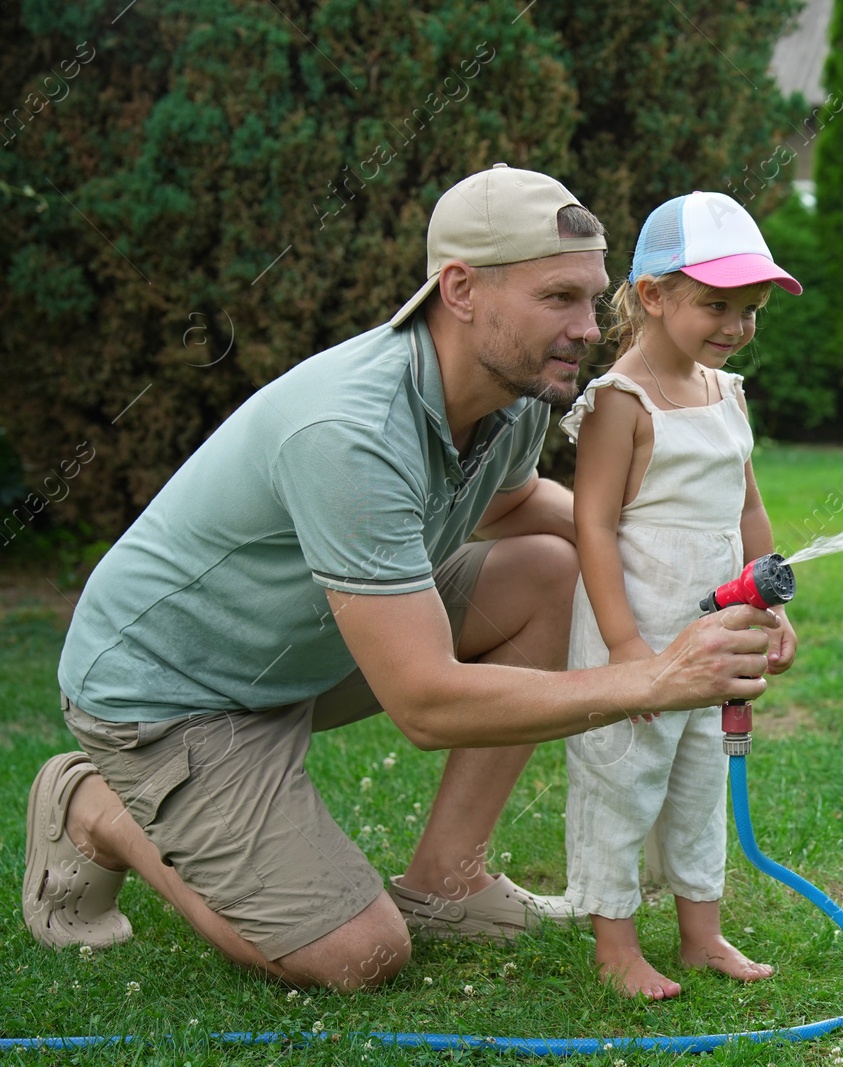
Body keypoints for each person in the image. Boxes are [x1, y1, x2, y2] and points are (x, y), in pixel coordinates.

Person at [21, 166, 780, 991]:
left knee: (550, 574)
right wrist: (656, 677)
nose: (589, 328)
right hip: (173, 698)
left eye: (592, 299)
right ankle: (93, 806)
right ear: (459, 289)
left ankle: (446, 883)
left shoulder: (518, 390)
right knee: (358, 956)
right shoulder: (350, 431)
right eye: (558, 297)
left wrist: (690, 563)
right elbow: (424, 702)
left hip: (305, 652)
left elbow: (518, 502)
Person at [560, 191, 802, 1000]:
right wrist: (627, 649)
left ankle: (702, 935)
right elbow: (592, 527)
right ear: (655, 295)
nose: (737, 325)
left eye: (752, 309)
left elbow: (749, 509)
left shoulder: (726, 395)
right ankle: (615, 946)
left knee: (702, 780)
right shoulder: (620, 403)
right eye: (717, 305)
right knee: (621, 780)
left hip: (716, 633)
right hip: (635, 634)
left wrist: (769, 606)